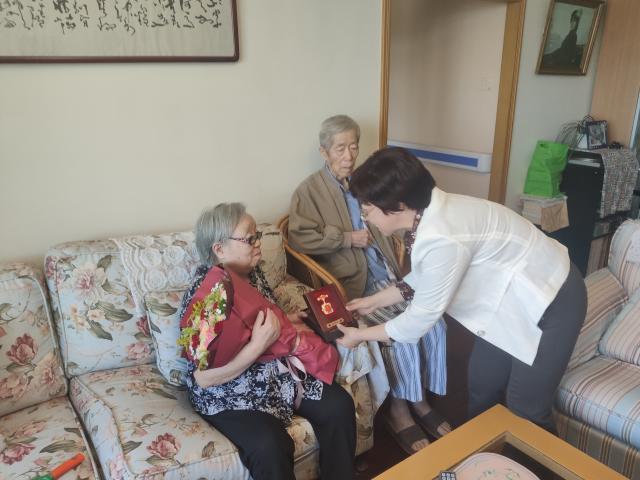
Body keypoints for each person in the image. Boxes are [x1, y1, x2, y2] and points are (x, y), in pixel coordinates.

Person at [337, 147, 587, 433]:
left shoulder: (444, 235)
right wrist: (373, 302)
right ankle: (480, 452)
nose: (366, 218)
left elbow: (417, 321)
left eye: (367, 210)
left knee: (527, 408)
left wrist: (359, 335)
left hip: (552, 299)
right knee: (483, 384)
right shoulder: (429, 213)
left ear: (399, 205)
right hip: (509, 299)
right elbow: (427, 275)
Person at [288, 115, 449, 454]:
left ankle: (420, 399)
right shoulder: (309, 191)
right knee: (399, 336)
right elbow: (299, 237)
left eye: (354, 146)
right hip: (353, 284)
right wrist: (345, 238)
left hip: (388, 275)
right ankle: (399, 411)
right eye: (340, 148)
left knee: (435, 322)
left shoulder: (364, 183)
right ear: (324, 152)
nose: (348, 156)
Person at [178, 203, 356, 480]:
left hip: (276, 377)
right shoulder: (208, 297)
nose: (258, 243)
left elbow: (252, 321)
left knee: (338, 406)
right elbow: (203, 378)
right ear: (219, 249)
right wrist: (257, 346)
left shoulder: (252, 274)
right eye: (249, 239)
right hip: (228, 394)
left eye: (257, 235)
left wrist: (286, 320)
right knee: (269, 445)